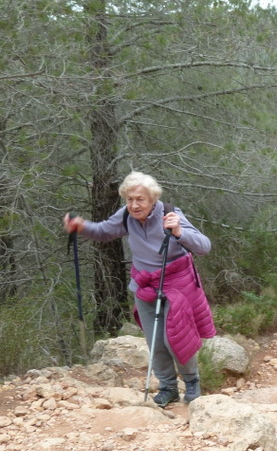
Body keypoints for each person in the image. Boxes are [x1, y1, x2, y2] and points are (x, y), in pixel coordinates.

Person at [63, 171, 215, 407]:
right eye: (130, 199)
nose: (134, 205)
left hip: (177, 285)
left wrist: (179, 232)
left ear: (152, 199)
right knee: (155, 340)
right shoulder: (126, 216)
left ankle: (192, 382)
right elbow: (104, 231)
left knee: (174, 337)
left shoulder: (169, 214)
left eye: (140, 199)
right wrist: (82, 226)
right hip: (145, 286)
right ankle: (168, 388)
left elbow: (204, 246)